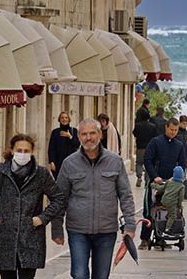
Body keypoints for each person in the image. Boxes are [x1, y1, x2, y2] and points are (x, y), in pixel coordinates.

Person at [52, 118, 136, 279]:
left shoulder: (115, 161)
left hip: (106, 230)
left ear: (100, 135)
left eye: (92, 133)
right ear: (78, 136)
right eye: (84, 134)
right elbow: (60, 198)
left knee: (101, 275)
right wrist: (57, 228)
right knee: (79, 274)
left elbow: (125, 195)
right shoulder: (69, 164)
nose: (88, 138)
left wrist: (130, 225)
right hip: (78, 230)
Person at [0, 134, 66, 279]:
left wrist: (43, 218)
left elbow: (59, 198)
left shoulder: (41, 173)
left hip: (31, 239)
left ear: (32, 152)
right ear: (12, 151)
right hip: (4, 238)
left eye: (26, 151)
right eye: (19, 150)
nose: (22, 154)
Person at [141, 119, 187, 248]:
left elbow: (182, 163)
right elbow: (147, 159)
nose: (173, 132)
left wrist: (177, 178)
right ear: (166, 127)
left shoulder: (179, 145)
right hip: (156, 182)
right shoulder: (156, 142)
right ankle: (145, 238)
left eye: (176, 130)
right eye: (171, 129)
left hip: (171, 184)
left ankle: (162, 237)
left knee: (167, 210)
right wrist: (154, 176)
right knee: (150, 209)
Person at [151, 166, 185, 233]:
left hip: (163, 201)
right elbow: (181, 197)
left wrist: (154, 185)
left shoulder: (169, 182)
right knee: (173, 215)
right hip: (172, 203)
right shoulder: (181, 186)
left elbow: (161, 188)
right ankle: (167, 229)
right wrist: (179, 205)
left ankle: (167, 217)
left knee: (170, 211)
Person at [46, 113, 79, 179]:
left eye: (66, 117)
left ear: (69, 119)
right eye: (62, 118)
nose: (64, 119)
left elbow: (77, 144)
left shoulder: (74, 131)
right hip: (58, 163)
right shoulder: (55, 132)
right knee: (59, 183)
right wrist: (51, 161)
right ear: (59, 120)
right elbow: (51, 148)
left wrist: (69, 136)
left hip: (71, 163)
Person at [131, 112, 158, 188]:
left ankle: (139, 177)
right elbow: (155, 136)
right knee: (148, 165)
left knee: (139, 163)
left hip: (140, 148)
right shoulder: (153, 126)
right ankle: (147, 181)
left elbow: (134, 133)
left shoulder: (138, 125)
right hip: (149, 149)